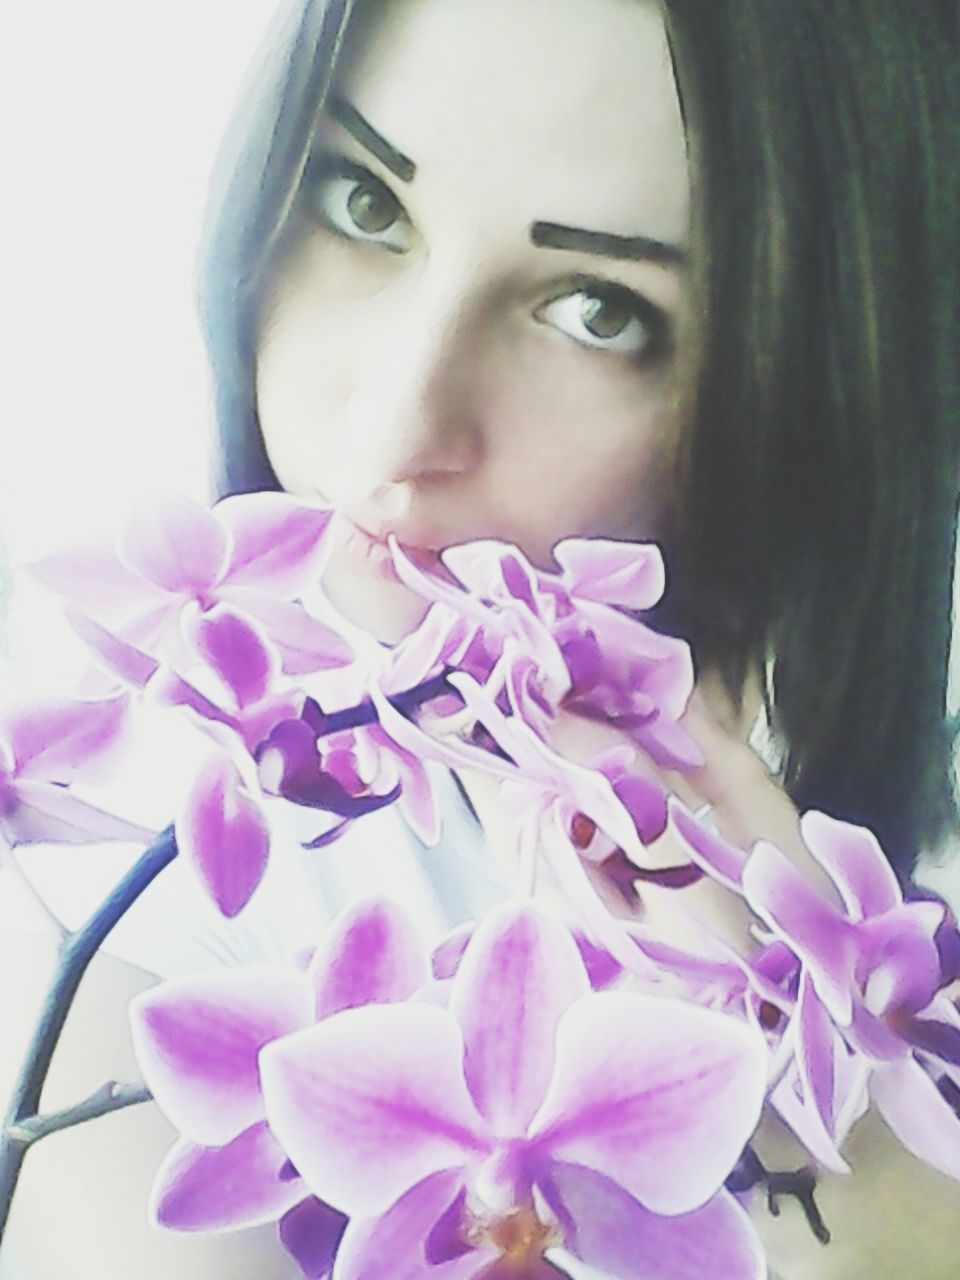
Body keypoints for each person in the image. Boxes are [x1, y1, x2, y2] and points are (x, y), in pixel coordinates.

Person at [1, 0, 958, 1276]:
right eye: (363, 201)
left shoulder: (864, 896)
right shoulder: (138, 857)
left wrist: (813, 1120)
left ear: (825, 375)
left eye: (599, 310)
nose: (398, 425)